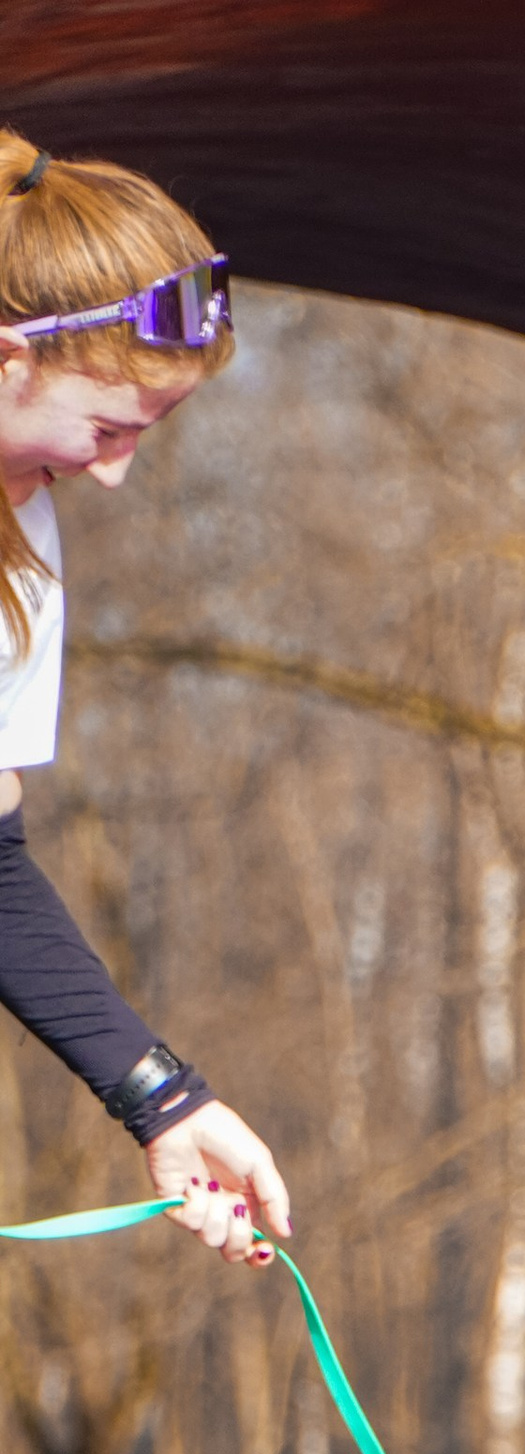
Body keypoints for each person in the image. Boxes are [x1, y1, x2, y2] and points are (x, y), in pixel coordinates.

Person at [0, 136, 287, 1265]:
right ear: (8, 357)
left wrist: (161, 1098)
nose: (113, 472)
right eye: (108, 428)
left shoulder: (19, 538)